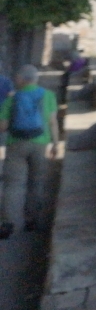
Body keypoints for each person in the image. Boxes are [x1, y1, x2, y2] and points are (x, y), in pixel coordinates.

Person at [1, 64, 61, 238]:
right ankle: (31, 220)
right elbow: (52, 122)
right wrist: (55, 144)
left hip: (16, 144)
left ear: (20, 79)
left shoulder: (12, 99)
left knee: (13, 184)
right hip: (40, 144)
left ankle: (8, 224)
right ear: (36, 79)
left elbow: (2, 126)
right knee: (36, 182)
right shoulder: (48, 96)